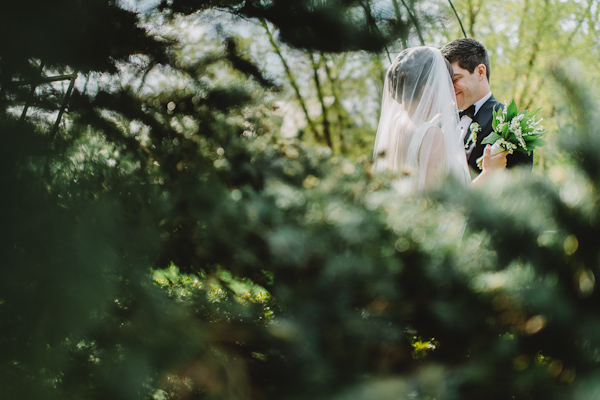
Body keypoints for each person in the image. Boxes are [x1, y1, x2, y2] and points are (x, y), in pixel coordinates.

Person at [372, 46, 506, 192]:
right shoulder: (430, 134)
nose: (450, 91)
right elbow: (439, 203)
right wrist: (487, 174)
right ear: (427, 89)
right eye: (445, 84)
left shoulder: (394, 124)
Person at [441, 38, 533, 174]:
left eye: (455, 79)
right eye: (445, 82)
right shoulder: (442, 121)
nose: (449, 88)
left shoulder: (511, 124)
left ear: (480, 72)